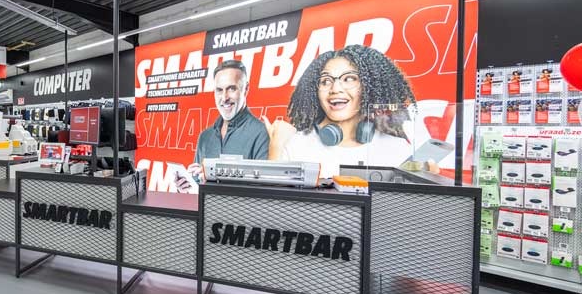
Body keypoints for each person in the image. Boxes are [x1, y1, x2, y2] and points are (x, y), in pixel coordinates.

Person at [263, 45, 416, 178]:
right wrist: (276, 149)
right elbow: (271, 200)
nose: (335, 89)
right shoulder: (294, 145)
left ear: (370, 87)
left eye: (349, 79)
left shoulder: (397, 149)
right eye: (325, 81)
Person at [174, 59, 269, 192]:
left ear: (246, 89)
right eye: (219, 90)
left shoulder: (261, 133)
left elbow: (263, 193)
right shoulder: (205, 137)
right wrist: (186, 187)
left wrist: (215, 177)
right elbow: (199, 189)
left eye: (231, 89)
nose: (224, 97)